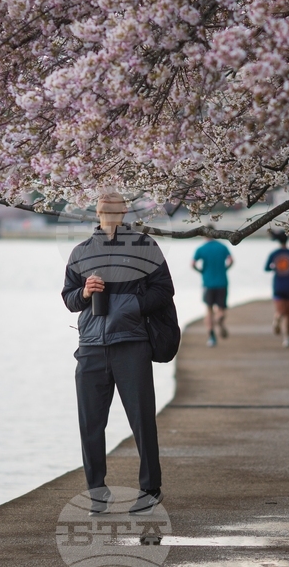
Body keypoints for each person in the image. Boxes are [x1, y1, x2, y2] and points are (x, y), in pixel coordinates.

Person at [62, 193, 175, 516]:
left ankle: (150, 489)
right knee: (91, 424)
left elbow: (164, 289)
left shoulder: (144, 247)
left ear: (125, 211)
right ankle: (97, 492)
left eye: (114, 209)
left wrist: (129, 307)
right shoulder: (81, 251)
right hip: (91, 348)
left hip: (132, 343)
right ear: (96, 212)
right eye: (102, 209)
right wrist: (84, 292)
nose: (108, 213)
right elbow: (69, 298)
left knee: (142, 420)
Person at [192, 235, 233, 347]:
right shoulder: (222, 247)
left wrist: (201, 271)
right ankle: (219, 318)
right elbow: (231, 260)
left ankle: (211, 336)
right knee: (221, 308)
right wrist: (225, 269)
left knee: (209, 310)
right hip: (222, 282)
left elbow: (193, 264)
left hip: (208, 283)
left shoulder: (201, 248)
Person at [265, 230, 289, 348]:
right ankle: (287, 338)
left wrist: (275, 267)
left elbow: (266, 268)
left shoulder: (274, 254)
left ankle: (277, 319)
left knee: (280, 310)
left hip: (278, 285)